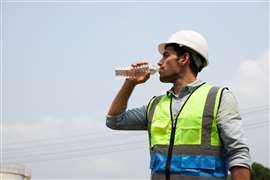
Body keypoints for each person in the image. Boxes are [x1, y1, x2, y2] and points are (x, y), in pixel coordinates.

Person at [106, 30, 251, 180]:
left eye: (166, 55)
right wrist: (130, 83)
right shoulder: (155, 105)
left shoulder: (218, 98)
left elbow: (238, 154)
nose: (159, 62)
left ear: (184, 58)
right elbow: (114, 120)